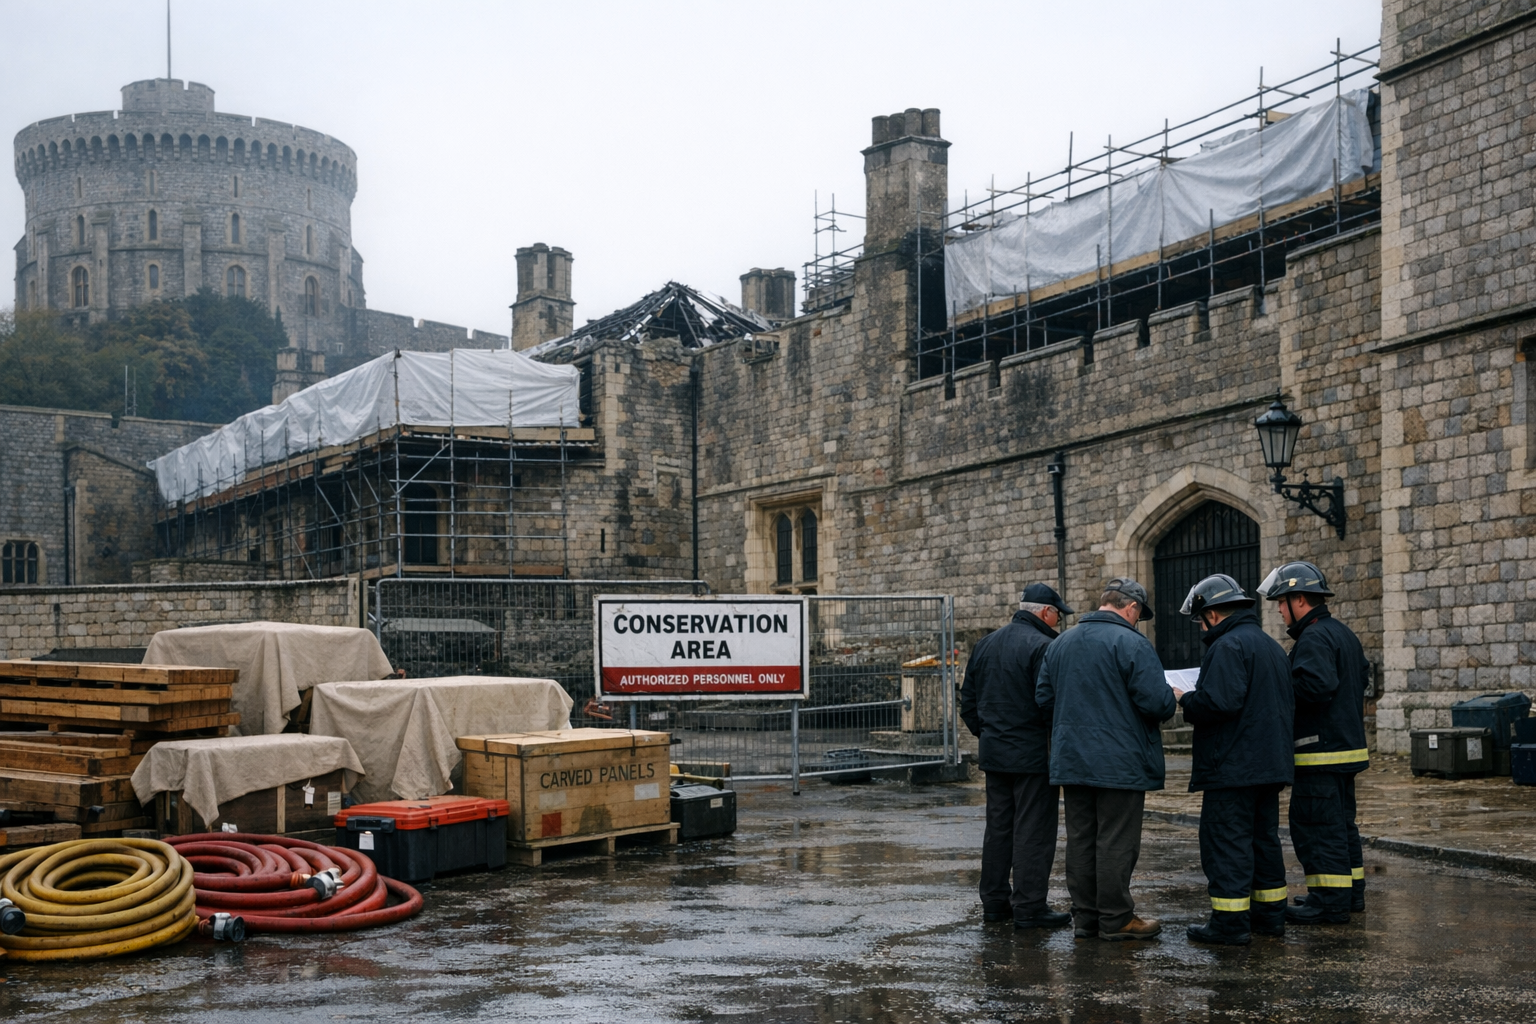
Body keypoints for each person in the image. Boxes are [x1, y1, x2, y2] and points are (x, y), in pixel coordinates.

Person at [1035, 578, 1176, 941]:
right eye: (1138, 615)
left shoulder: (1061, 642)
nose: (1137, 621)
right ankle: (1115, 919)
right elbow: (1157, 703)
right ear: (1131, 608)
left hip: (1072, 759)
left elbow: (1044, 699)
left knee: (1081, 839)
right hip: (1119, 761)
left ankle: (1086, 920)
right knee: (1115, 840)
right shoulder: (1132, 642)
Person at [1172, 574, 1294, 945]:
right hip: (1268, 765)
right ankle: (1269, 918)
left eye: (1200, 620)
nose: (1200, 628)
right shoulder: (1268, 645)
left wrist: (1183, 698)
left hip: (1232, 767)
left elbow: (1218, 703)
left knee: (1227, 844)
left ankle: (1229, 923)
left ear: (1210, 614)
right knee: (1263, 841)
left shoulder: (1227, 647)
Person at [960, 583, 1076, 929]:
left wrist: (991, 735)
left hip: (996, 754)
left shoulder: (985, 643)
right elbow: (1049, 703)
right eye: (1058, 615)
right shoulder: (1044, 646)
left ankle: (995, 902)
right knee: (1033, 830)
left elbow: (968, 703)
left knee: (999, 828)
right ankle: (1028, 906)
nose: (1059, 622)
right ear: (1044, 612)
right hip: (1032, 756)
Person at [1262, 560, 1369, 924]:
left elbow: (1315, 687)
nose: (1278, 610)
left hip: (1318, 752)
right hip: (1345, 749)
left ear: (1301, 600)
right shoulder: (1342, 634)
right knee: (1341, 827)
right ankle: (1351, 896)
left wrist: (1279, 690)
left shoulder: (1314, 637)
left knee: (1318, 830)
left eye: (1281, 602)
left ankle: (1328, 902)